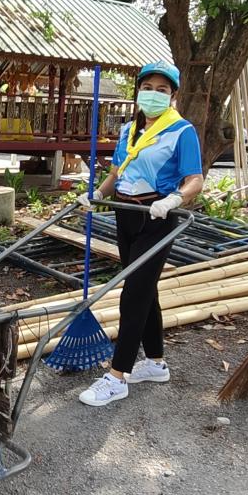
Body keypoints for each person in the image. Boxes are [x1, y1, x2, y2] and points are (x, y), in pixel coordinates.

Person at [75, 60, 204, 407]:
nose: (153, 95)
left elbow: (196, 179)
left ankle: (118, 376)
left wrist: (176, 198)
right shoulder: (128, 130)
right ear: (138, 92)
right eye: (147, 88)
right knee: (146, 290)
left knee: (134, 292)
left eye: (162, 90)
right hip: (126, 214)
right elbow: (118, 170)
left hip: (157, 216)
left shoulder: (181, 131)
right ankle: (157, 363)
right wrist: (98, 194)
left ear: (173, 96)